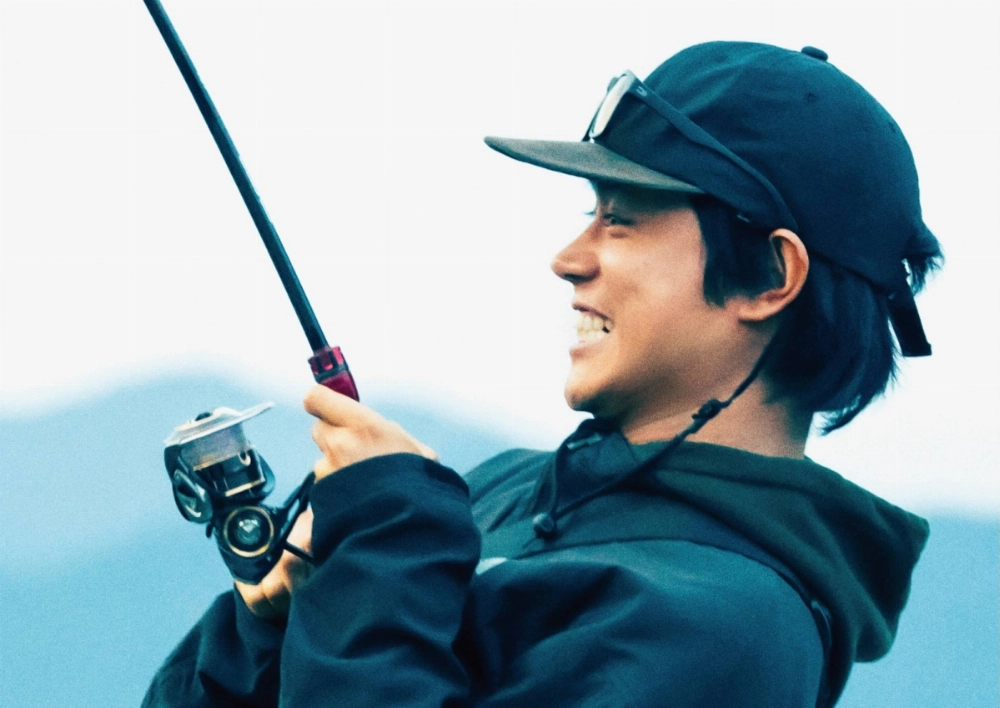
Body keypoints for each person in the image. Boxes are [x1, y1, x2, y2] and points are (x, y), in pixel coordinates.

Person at [143, 41, 941, 707]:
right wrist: (269, 628)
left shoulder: (733, 632)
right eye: (589, 213)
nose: (568, 258)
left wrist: (384, 571)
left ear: (770, 275)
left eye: (621, 221)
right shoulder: (500, 490)